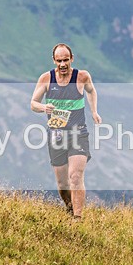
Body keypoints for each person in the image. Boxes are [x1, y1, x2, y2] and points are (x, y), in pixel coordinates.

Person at [30, 43, 101, 219]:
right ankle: (70, 209)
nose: (63, 64)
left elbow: (91, 92)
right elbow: (33, 103)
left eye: (66, 60)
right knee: (63, 185)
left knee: (75, 176)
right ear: (54, 60)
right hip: (56, 136)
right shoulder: (46, 79)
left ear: (72, 59)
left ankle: (78, 219)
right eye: (59, 60)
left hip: (78, 134)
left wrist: (94, 112)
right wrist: (44, 107)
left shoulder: (82, 77)